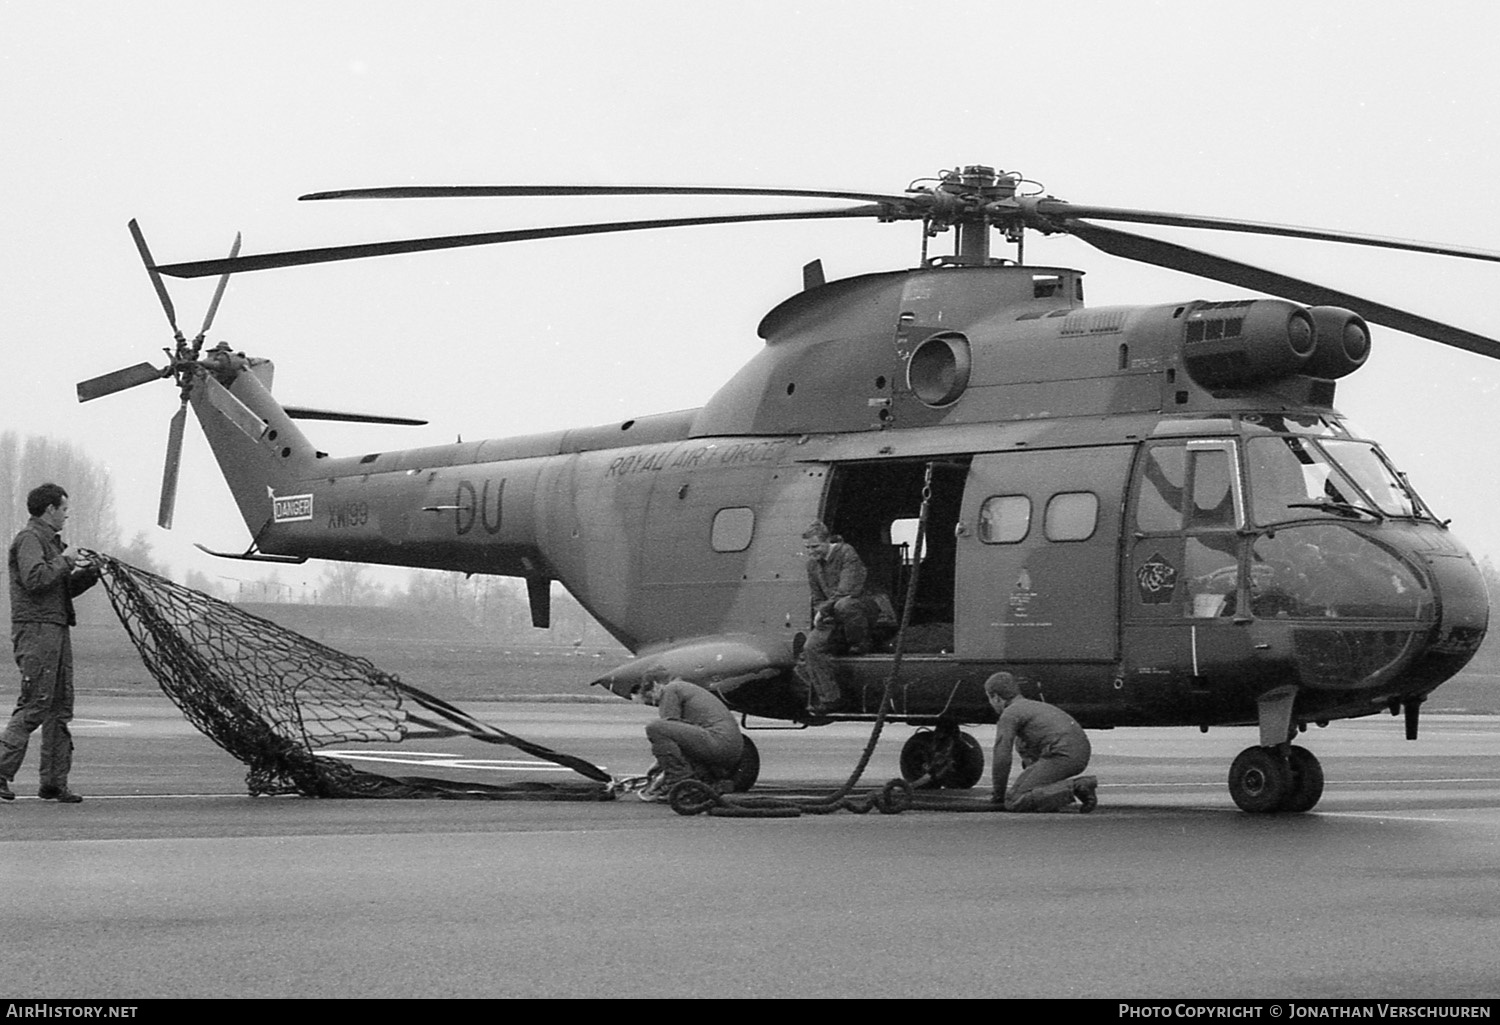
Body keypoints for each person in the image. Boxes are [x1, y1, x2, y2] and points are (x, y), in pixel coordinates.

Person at [2, 483, 100, 803]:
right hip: (36, 631)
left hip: (55, 629)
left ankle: (54, 782)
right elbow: (35, 580)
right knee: (35, 704)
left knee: (59, 708)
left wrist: (88, 574)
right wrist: (66, 561)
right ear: (49, 510)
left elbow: (57, 591)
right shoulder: (30, 539)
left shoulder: (49, 543)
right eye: (63, 509)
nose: (67, 515)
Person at [985, 671, 1097, 813]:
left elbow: (1002, 756)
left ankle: (1077, 787)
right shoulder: (1033, 707)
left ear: (996, 697)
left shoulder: (1010, 713)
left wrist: (998, 795)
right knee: (1022, 748)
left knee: (1014, 800)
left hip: (1061, 754)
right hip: (1077, 753)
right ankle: (1053, 795)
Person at [635, 668, 744, 802]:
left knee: (656, 728)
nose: (656, 703)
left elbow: (668, 727)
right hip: (732, 749)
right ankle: (703, 781)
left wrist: (659, 773)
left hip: (717, 742)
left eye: (652, 697)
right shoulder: (687, 688)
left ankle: (678, 784)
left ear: (656, 685)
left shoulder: (671, 689)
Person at [798, 521, 872, 716]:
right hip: (832, 612)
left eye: (815, 547)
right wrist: (821, 614)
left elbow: (848, 590)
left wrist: (823, 611)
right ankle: (831, 698)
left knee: (845, 605)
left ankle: (860, 642)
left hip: (860, 608)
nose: (812, 552)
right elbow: (817, 596)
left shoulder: (847, 553)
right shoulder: (812, 565)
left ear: (827, 542)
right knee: (810, 647)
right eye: (808, 548)